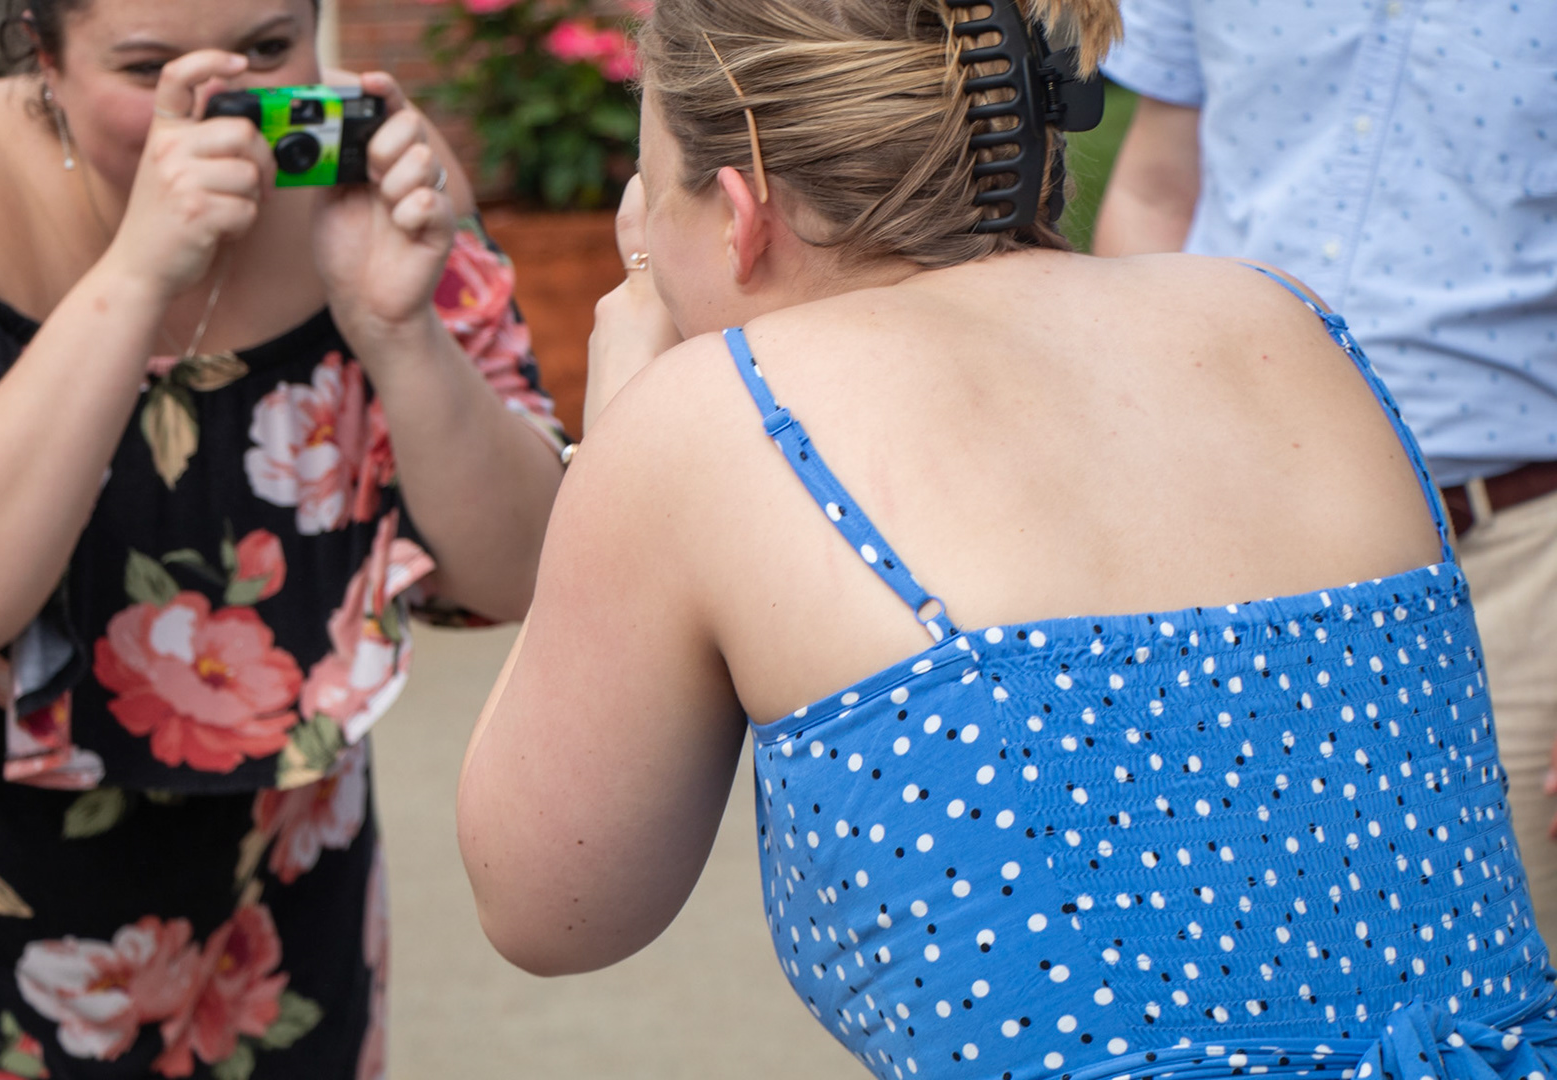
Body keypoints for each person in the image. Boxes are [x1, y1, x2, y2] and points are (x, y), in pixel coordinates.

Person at [456, 0, 1557, 1077]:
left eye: (651, 207)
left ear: (742, 213)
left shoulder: (713, 414)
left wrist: (616, 428)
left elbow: (550, 903)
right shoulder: (1285, 318)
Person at [0, 0, 564, 1075]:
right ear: (42, 49)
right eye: (148, 69)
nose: (220, 106)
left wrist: (398, 332)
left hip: (273, 864)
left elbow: (521, 570)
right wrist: (136, 278)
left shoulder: (366, 172)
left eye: (270, 51)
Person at [1090, 0, 1557, 928]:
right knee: (1229, 937)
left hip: (1516, 562)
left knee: (1505, 959)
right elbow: (1155, 187)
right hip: (1223, 533)